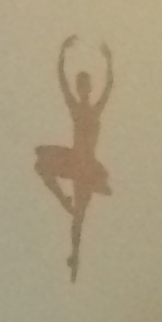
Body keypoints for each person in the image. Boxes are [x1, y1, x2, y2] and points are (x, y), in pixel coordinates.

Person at [35, 38, 115, 281]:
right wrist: (62, 54)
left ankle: (75, 255)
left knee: (79, 216)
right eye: (80, 85)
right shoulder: (76, 108)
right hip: (75, 159)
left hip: (86, 167)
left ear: (88, 88)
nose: (82, 89)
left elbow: (109, 86)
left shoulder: (94, 109)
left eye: (85, 85)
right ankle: (63, 200)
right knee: (41, 165)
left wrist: (109, 61)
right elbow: (62, 82)